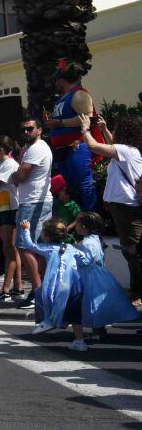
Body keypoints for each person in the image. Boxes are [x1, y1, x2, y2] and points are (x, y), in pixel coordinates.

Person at [80, 114, 142, 305]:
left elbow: (93, 146)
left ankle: (138, 292)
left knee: (133, 251)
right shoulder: (128, 150)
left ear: (123, 132)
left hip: (126, 207)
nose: (113, 131)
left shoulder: (125, 151)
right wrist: (104, 129)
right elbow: (113, 145)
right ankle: (136, 290)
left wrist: (85, 129)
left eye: (115, 129)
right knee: (130, 250)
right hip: (123, 206)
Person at [18, 219, 87, 350]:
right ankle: (80, 341)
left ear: (47, 236)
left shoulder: (47, 248)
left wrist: (26, 230)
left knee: (42, 296)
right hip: (74, 285)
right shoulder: (71, 248)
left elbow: (29, 245)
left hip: (56, 285)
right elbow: (85, 259)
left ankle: (48, 321)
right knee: (75, 313)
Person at [73, 211, 140, 339]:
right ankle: (99, 330)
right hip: (99, 275)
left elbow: (87, 260)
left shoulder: (88, 243)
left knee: (93, 303)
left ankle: (97, 331)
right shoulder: (95, 239)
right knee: (96, 303)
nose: (75, 225)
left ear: (84, 227)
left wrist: (73, 253)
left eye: (77, 223)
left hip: (90, 276)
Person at [44, 60, 99, 212]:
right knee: (72, 187)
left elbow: (87, 118)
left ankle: (92, 220)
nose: (56, 83)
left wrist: (60, 123)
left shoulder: (79, 94)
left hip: (77, 147)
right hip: (64, 150)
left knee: (84, 185)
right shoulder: (64, 98)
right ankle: (79, 219)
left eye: (57, 80)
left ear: (61, 80)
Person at [10, 117, 54, 309]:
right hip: (38, 201)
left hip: (32, 202)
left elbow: (19, 176)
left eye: (30, 129)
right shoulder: (37, 148)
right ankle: (42, 289)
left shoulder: (36, 149)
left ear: (39, 130)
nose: (26, 132)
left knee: (24, 246)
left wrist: (15, 171)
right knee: (38, 247)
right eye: (23, 129)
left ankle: (38, 292)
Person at [0, 136, 24, 301]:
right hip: (2, 208)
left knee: (9, 249)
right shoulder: (2, 165)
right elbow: (0, 188)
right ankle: (18, 286)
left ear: (1, 150)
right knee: (11, 250)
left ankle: (6, 288)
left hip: (9, 210)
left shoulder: (9, 165)